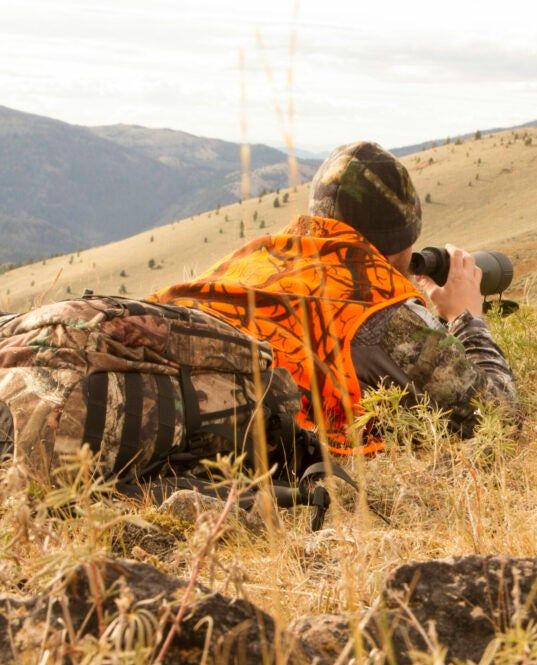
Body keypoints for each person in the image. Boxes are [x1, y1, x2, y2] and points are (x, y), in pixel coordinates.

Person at [151, 141, 517, 455]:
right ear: (401, 241)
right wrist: (467, 317)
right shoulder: (378, 306)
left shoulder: (260, 257)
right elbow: (497, 414)